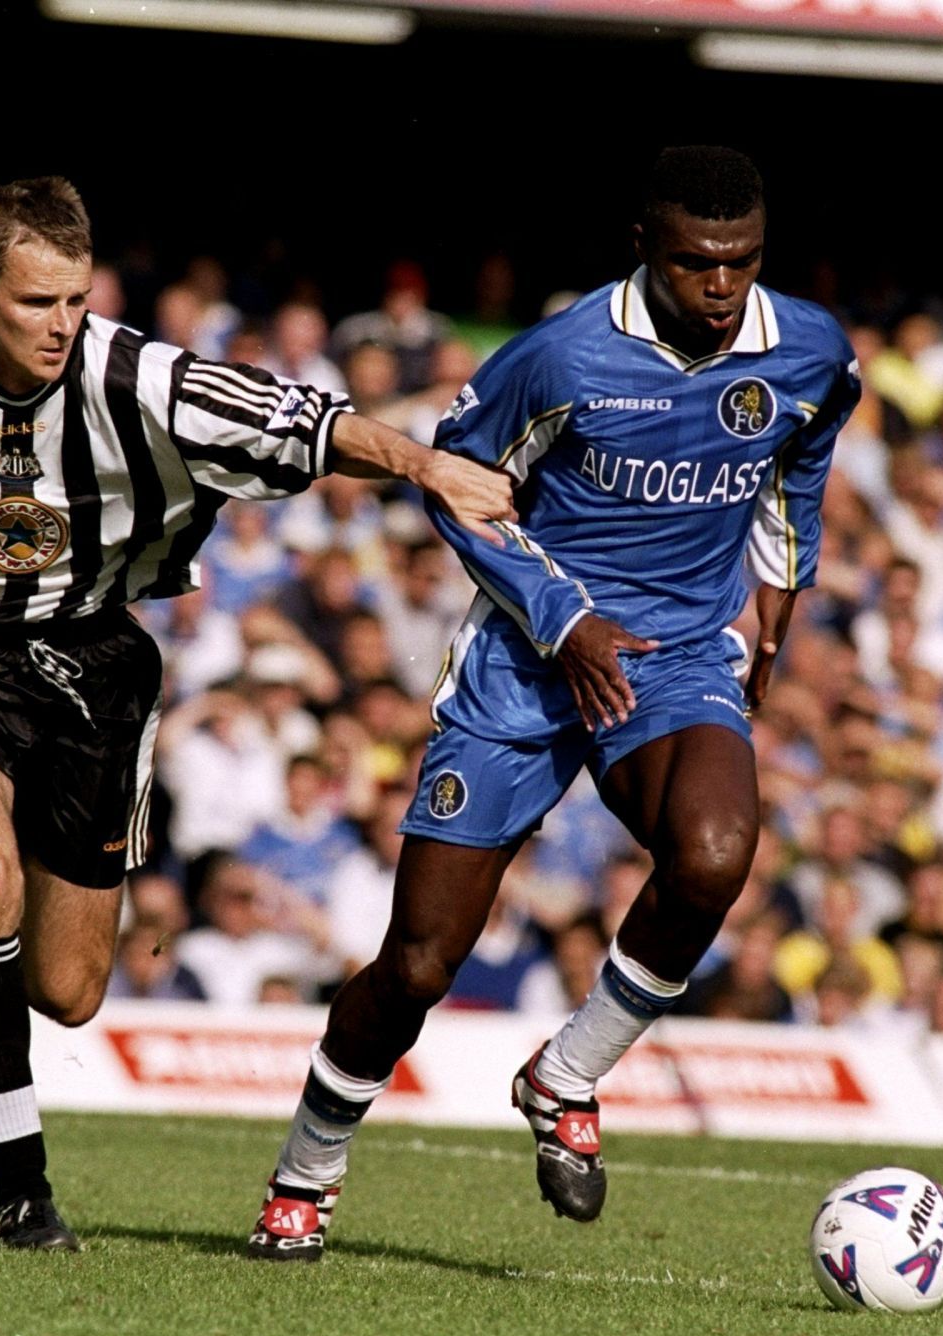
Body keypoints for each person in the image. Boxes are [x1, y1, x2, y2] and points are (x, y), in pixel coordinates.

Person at [0, 177, 513, 1252]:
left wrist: (433, 467)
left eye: (76, 299)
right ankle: (25, 1198)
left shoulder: (140, 378)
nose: (63, 325)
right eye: (35, 303)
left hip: (96, 663)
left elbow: (308, 422)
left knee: (66, 989)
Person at [245, 147, 858, 1260]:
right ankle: (309, 1167)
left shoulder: (809, 346)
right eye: (695, 265)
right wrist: (562, 618)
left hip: (671, 657)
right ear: (643, 250)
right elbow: (458, 487)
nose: (722, 288)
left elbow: (800, 457)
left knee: (717, 854)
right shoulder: (562, 357)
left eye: (742, 264)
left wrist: (778, 591)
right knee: (421, 962)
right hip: (527, 665)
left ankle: (566, 1074)